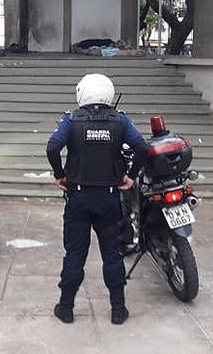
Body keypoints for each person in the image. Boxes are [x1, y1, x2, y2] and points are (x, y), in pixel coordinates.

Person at [46, 73, 148, 325]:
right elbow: (141, 147)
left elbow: (53, 147)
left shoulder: (71, 120)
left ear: (82, 93)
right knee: (112, 255)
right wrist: (131, 176)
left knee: (74, 254)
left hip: (79, 198)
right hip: (109, 199)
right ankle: (117, 310)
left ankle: (66, 308)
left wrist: (60, 175)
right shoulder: (120, 120)